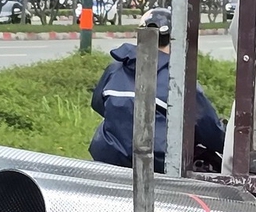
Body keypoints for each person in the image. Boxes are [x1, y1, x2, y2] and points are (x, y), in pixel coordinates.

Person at [88, 15, 226, 172]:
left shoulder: (115, 69)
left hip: (109, 156)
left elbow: (98, 104)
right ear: (176, 40)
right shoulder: (178, 80)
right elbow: (210, 130)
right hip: (159, 164)